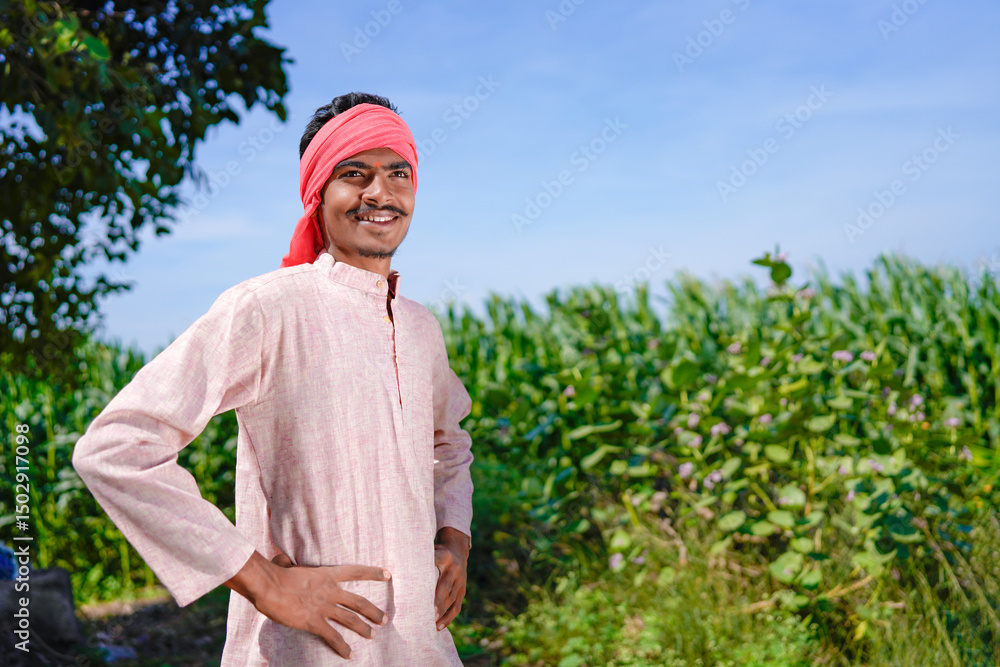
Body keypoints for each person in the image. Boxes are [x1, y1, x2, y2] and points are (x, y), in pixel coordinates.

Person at [71, 92, 475, 665]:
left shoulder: (418, 328)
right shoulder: (267, 308)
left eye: (398, 174)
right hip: (310, 648)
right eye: (353, 174)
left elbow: (448, 441)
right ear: (317, 195)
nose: (379, 193)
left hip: (421, 642)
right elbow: (116, 448)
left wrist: (453, 540)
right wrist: (263, 581)